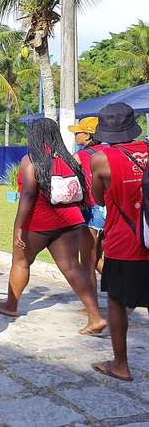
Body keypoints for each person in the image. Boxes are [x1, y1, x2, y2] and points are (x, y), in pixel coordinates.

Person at [0, 118, 107, 336]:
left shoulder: (31, 160)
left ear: (34, 135)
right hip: (70, 220)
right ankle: (95, 316)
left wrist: (18, 227)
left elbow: (28, 194)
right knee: (72, 267)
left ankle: (11, 306)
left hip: (39, 222)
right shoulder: (69, 159)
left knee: (21, 261)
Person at [89, 103, 149, 382]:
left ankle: (121, 365)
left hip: (125, 241)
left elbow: (99, 199)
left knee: (116, 300)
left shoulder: (101, 159)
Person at [71, 117, 106, 298]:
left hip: (91, 209)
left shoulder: (80, 156)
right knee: (98, 257)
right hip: (110, 210)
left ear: (88, 135)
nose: (75, 135)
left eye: (78, 132)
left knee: (87, 260)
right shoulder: (109, 151)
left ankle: (91, 307)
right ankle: (123, 287)